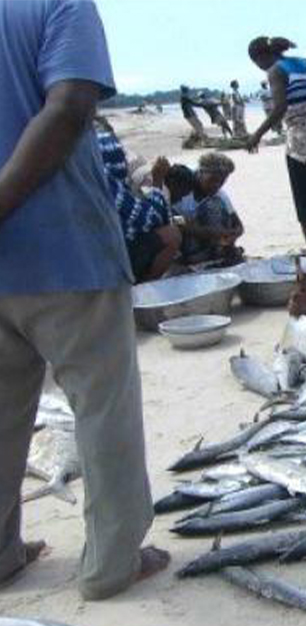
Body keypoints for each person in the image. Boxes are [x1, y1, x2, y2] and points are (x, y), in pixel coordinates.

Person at [0, 0, 168, 599]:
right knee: (102, 408)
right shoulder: (60, 4)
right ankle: (111, 563)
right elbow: (71, 105)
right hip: (65, 248)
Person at [247, 37, 306, 257]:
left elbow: (280, 107)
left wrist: (256, 135)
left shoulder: (275, 71)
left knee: (305, 202)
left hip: (301, 144)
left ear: (259, 58)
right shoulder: (305, 63)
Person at [96, 122, 181, 282]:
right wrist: (157, 182)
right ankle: (140, 290)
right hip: (103, 257)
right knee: (172, 234)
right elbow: (151, 219)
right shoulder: (106, 183)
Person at [176, 153, 244, 265]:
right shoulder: (182, 189)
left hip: (213, 241)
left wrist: (231, 235)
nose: (216, 185)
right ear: (200, 173)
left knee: (216, 204)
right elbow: (173, 219)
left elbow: (238, 225)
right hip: (187, 242)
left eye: (221, 182)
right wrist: (205, 231)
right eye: (212, 180)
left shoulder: (220, 195)